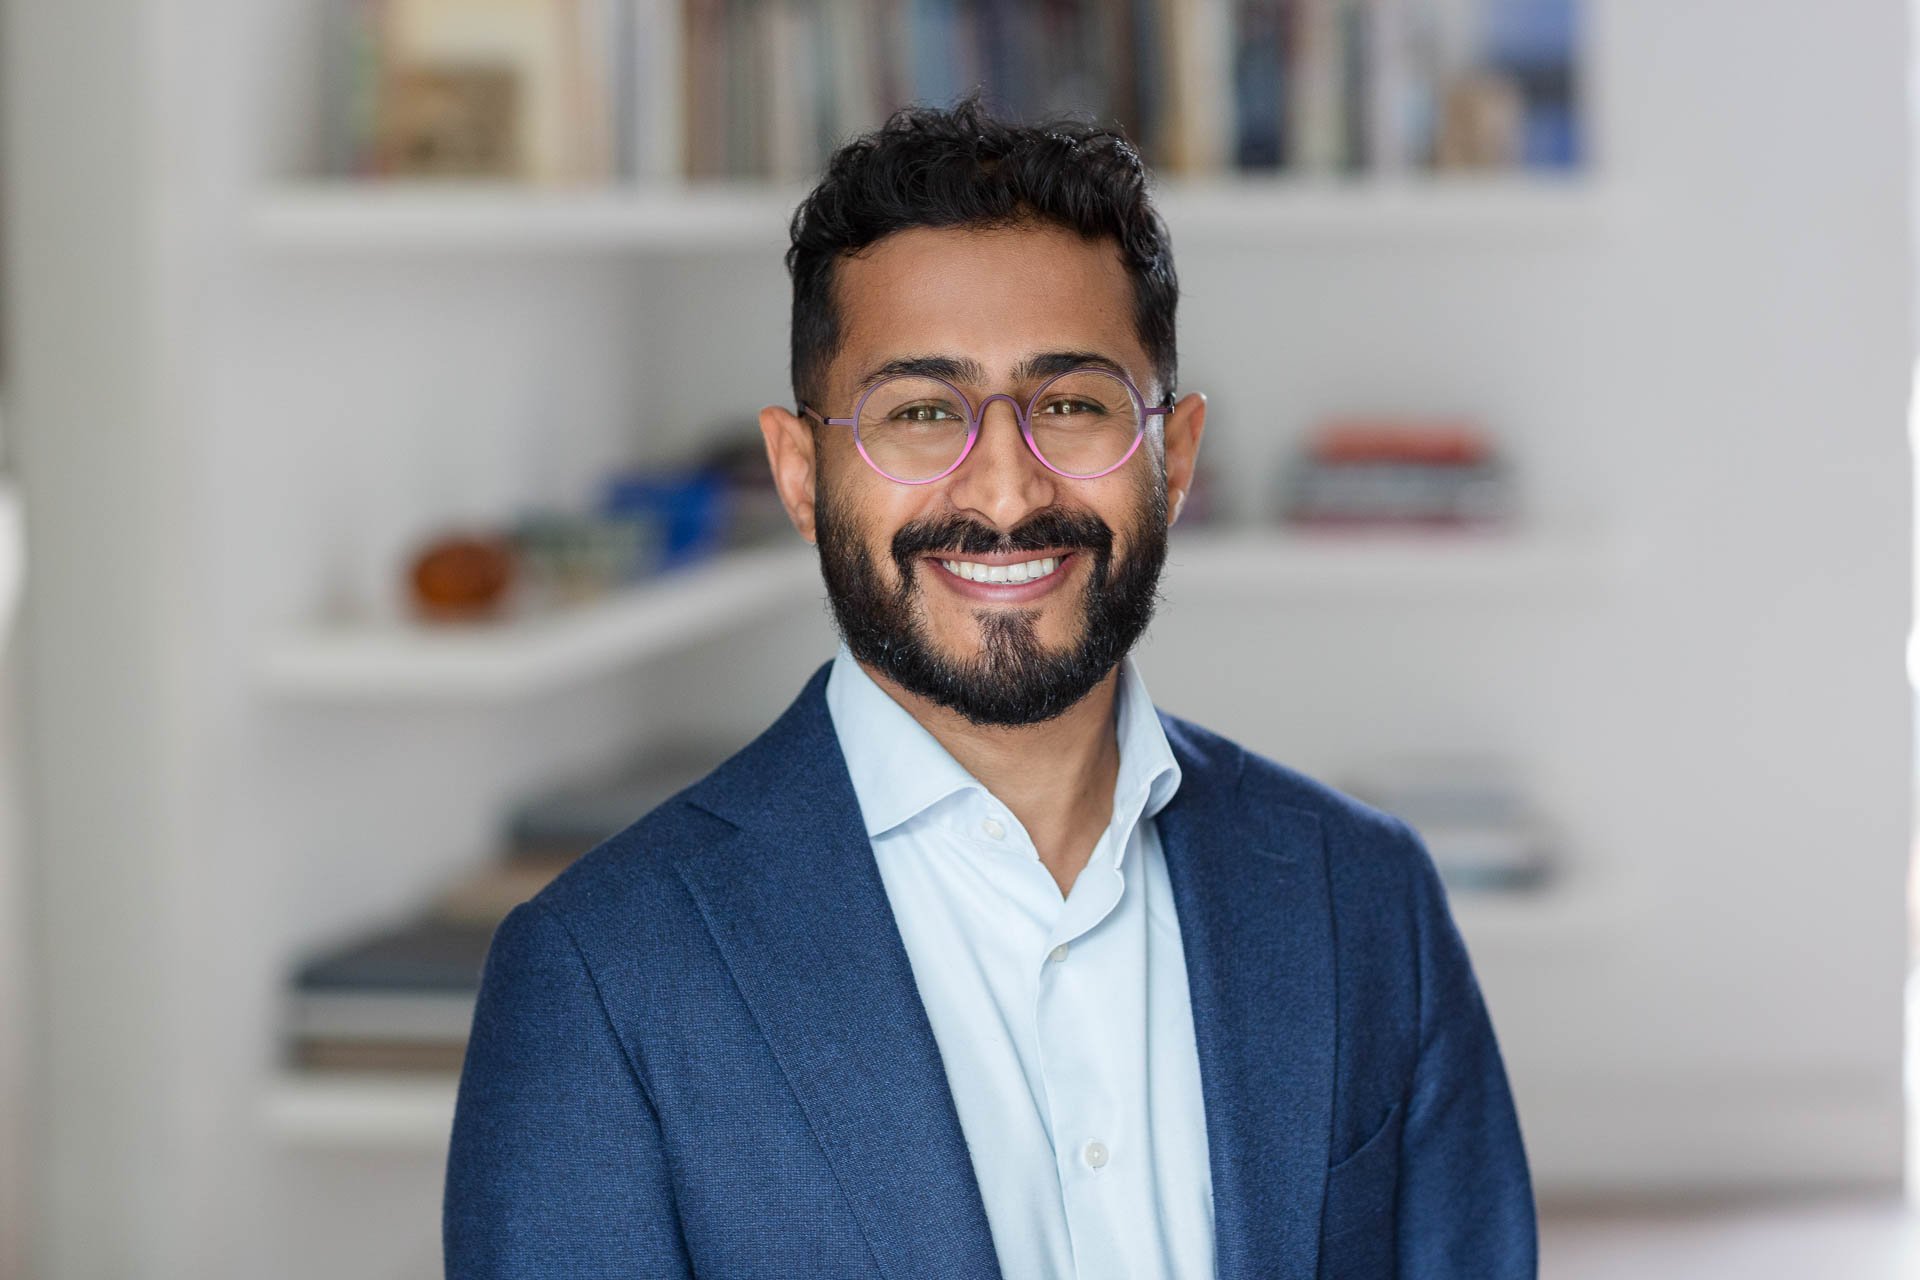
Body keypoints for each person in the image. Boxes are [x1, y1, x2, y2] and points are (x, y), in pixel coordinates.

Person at [444, 98, 1536, 1280]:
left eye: (1070, 403)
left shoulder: (1367, 898)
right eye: (921, 413)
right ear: (801, 472)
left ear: (1174, 454)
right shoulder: (601, 973)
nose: (1008, 493)